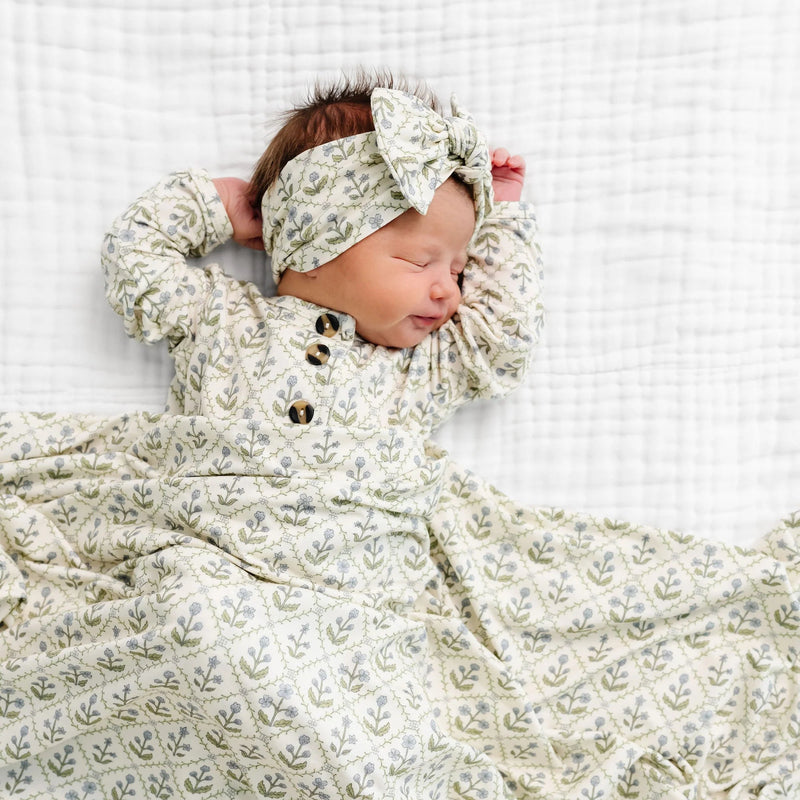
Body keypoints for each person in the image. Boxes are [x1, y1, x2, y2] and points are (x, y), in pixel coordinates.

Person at [0, 72, 797, 800]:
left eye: (459, 268)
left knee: (378, 734)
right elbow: (136, 264)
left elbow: (501, 339)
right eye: (422, 260)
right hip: (219, 555)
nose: (447, 288)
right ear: (317, 235)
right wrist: (218, 205)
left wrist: (502, 222)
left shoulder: (421, 367)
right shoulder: (223, 319)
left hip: (356, 603)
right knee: (196, 622)